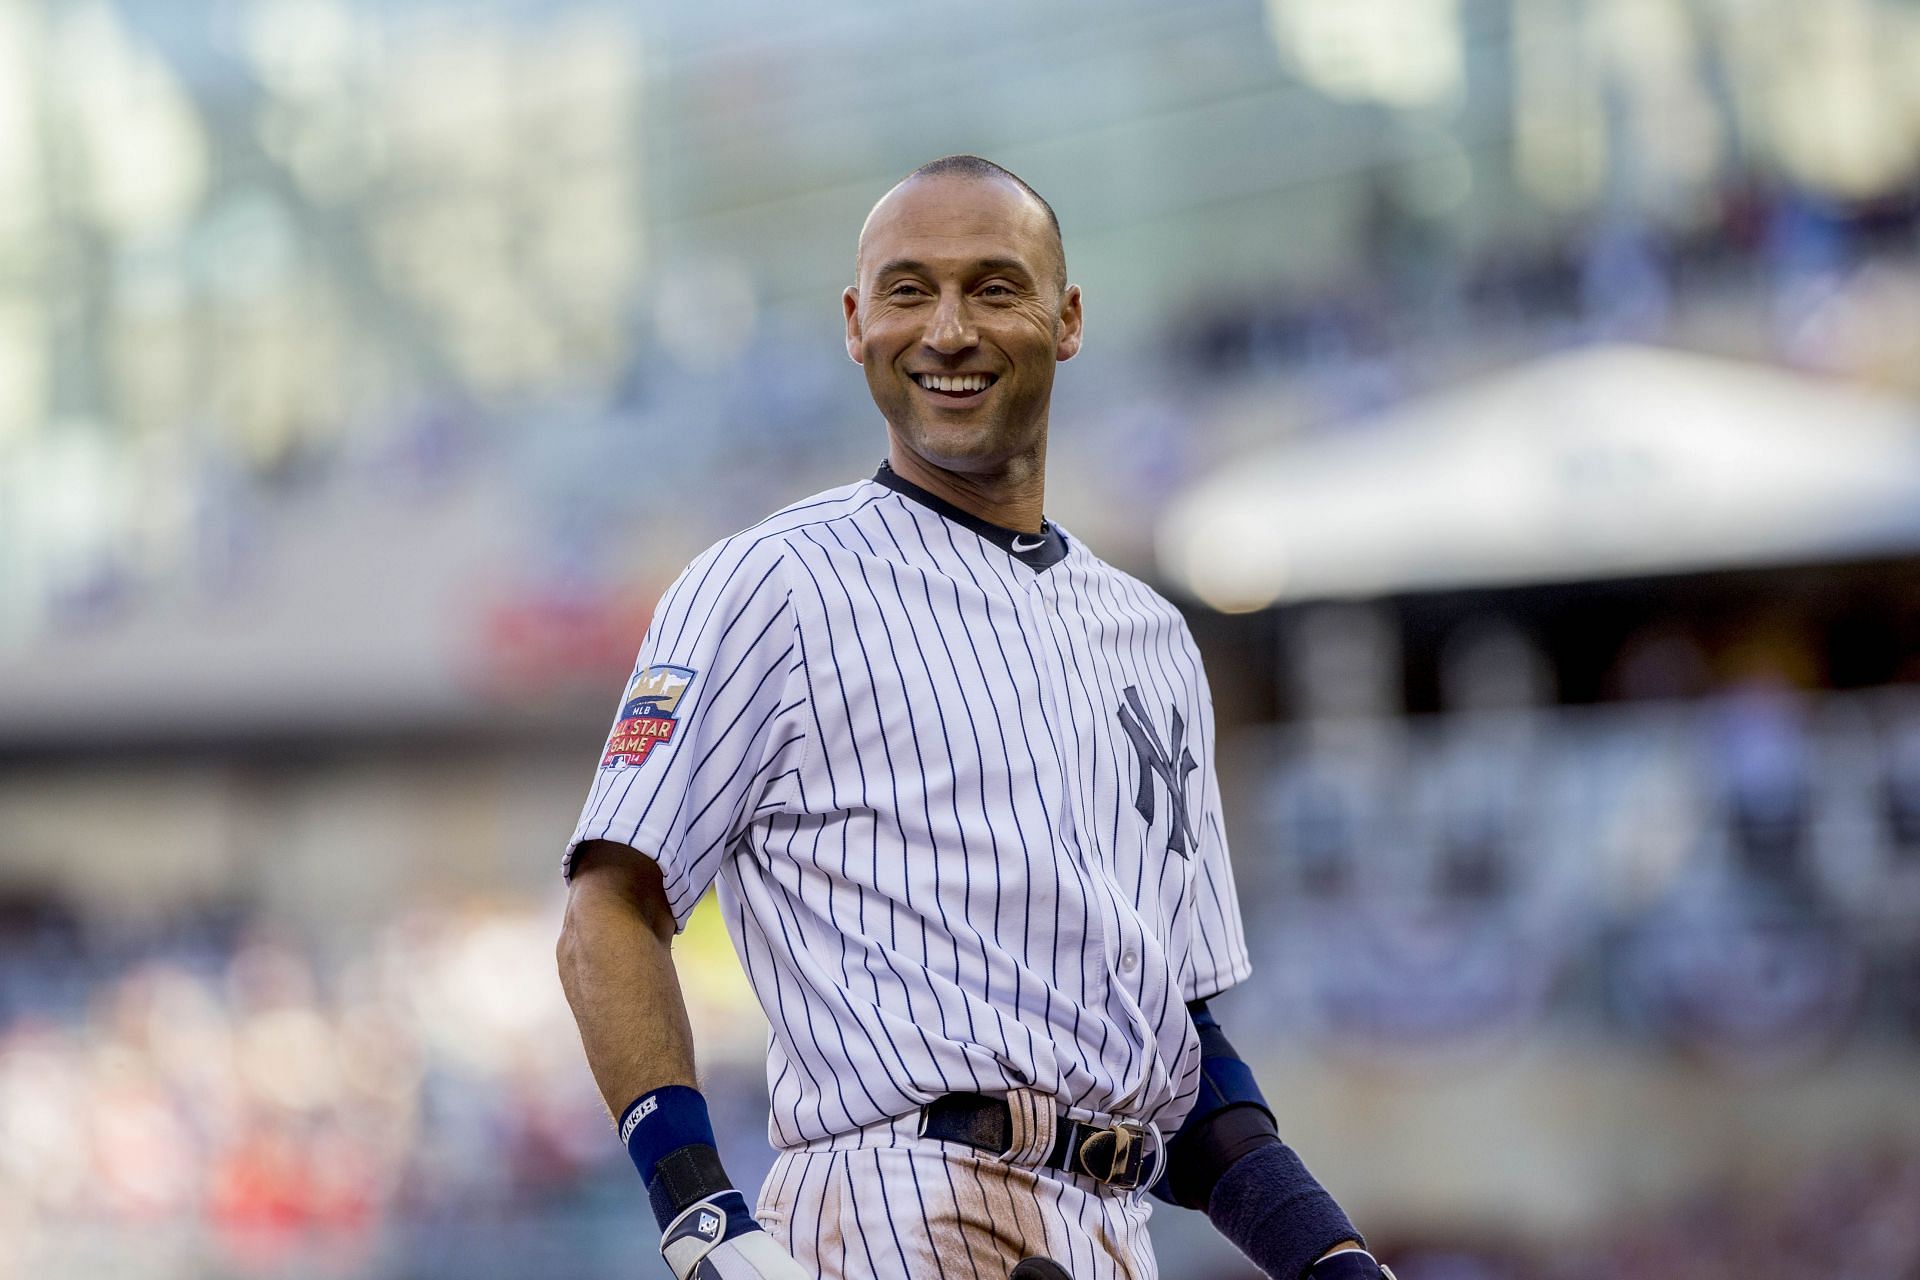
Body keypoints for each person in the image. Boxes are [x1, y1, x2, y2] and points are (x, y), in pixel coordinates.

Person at [556, 155, 1392, 1280]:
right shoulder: (773, 583)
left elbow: (1183, 1057)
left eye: (994, 287)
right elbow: (606, 909)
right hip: (893, 1199)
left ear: (1068, 316)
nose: (947, 329)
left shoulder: (1150, 635)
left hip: (1109, 1222)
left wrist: (1329, 1254)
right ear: (855, 323)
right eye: (908, 291)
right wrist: (702, 1213)